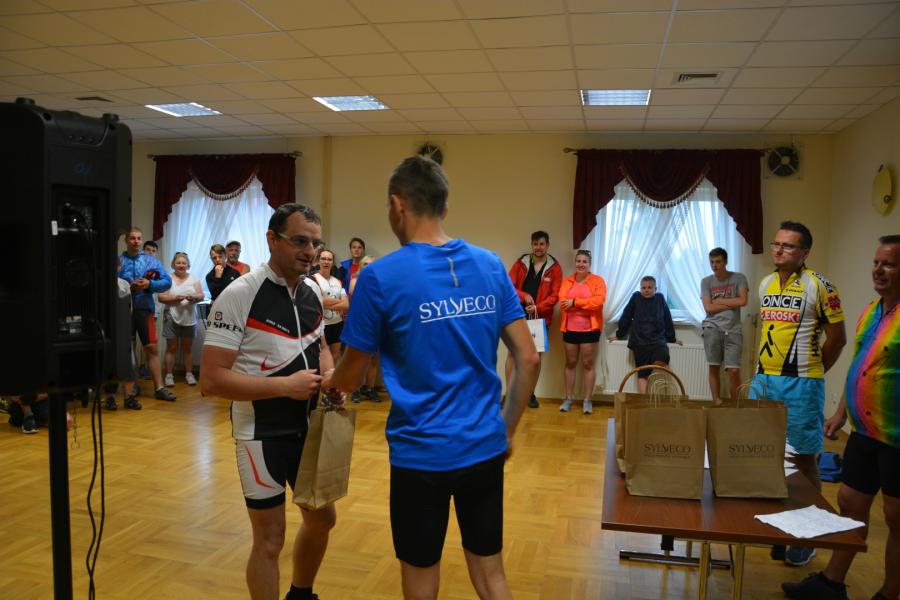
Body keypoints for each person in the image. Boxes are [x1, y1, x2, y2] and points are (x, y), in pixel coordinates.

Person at [331, 155, 539, 600]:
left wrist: (325, 384)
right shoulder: (490, 264)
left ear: (396, 205)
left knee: (422, 577)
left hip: (420, 455)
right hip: (484, 446)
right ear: (444, 207)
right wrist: (505, 431)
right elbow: (529, 358)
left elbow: (349, 375)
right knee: (491, 574)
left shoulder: (378, 277)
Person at [200, 204, 337, 600]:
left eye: (315, 243)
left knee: (323, 520)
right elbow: (211, 380)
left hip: (310, 429)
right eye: (300, 241)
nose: (310, 251)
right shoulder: (240, 294)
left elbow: (321, 347)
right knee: (270, 539)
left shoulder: (312, 291)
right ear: (272, 239)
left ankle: (301, 593)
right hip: (261, 435)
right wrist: (284, 386)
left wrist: (330, 376)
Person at [782, 235, 900, 600]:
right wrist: (840, 412)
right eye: (876, 262)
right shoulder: (872, 310)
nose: (878, 270)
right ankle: (832, 583)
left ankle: (889, 593)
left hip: (896, 435)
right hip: (864, 431)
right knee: (849, 503)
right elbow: (860, 365)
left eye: (889, 264)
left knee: (896, 517)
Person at [752, 220, 846, 567]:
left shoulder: (820, 286)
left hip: (802, 384)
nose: (779, 250)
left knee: (804, 459)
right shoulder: (765, 283)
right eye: (776, 244)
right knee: (765, 453)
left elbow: (837, 339)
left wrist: (813, 372)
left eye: (788, 245)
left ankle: (807, 535)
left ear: (805, 252)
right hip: (764, 380)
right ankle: (780, 523)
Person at [118, 227, 176, 402]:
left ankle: (159, 387)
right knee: (128, 349)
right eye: (132, 238)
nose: (136, 241)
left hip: (145, 310)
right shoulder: (119, 261)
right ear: (126, 241)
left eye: (139, 238)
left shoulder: (152, 261)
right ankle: (132, 386)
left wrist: (149, 284)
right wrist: (129, 287)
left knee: (151, 347)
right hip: (123, 311)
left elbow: (167, 282)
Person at [506, 230, 562, 408]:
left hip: (540, 318)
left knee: (535, 357)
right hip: (517, 314)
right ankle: (510, 393)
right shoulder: (521, 262)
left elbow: (555, 295)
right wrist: (524, 296)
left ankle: (529, 393)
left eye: (542, 244)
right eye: (535, 244)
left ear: (547, 245)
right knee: (512, 354)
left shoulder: (555, 267)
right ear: (532, 245)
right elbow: (509, 285)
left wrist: (538, 307)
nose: (538, 247)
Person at [608, 276, 680, 394]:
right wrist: (619, 335)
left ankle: (658, 393)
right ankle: (644, 398)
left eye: (649, 288)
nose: (646, 290)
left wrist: (671, 338)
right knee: (642, 373)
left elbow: (667, 319)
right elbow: (626, 316)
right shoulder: (636, 297)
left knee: (663, 358)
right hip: (640, 342)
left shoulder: (660, 298)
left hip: (657, 341)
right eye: (643, 288)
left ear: (655, 289)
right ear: (640, 288)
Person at [559, 250, 606, 415]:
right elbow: (562, 302)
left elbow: (598, 302)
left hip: (590, 330)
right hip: (570, 329)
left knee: (588, 364)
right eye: (578, 261)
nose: (581, 264)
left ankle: (587, 400)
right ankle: (568, 399)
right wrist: (585, 304)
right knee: (570, 363)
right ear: (575, 262)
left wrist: (575, 302)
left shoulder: (597, 281)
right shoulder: (567, 281)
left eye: (584, 261)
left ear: (589, 264)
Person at [700, 247, 749, 404]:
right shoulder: (706, 281)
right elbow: (708, 308)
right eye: (712, 262)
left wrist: (720, 301)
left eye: (718, 261)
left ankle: (736, 405)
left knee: (733, 370)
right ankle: (716, 401)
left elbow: (743, 301)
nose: (715, 265)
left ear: (725, 262)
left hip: (733, 330)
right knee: (714, 367)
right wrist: (732, 302)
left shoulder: (739, 278)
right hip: (712, 328)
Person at [158, 252, 203, 387]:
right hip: (171, 316)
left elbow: (201, 296)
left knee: (187, 348)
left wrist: (194, 298)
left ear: (188, 265)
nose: (181, 265)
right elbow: (161, 297)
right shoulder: (167, 279)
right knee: (171, 348)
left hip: (190, 318)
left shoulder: (194, 279)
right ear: (173, 264)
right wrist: (175, 298)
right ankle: (169, 375)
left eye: (184, 263)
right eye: (178, 263)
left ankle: (189, 374)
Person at [348, 256, 380, 403]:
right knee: (358, 359)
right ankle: (355, 389)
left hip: (375, 323)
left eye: (371, 264)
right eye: (365, 264)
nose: (368, 266)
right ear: (361, 266)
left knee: (373, 360)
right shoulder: (355, 280)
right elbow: (358, 298)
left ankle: (370, 389)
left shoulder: (379, 280)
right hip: (359, 323)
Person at [310, 249, 348, 363]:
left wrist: (325, 303)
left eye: (329, 259)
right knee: (323, 357)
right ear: (319, 261)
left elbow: (346, 305)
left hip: (337, 324)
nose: (326, 262)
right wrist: (337, 302)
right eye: (323, 259)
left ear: (333, 262)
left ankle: (333, 376)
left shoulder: (338, 281)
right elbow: (316, 302)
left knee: (336, 355)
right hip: (321, 325)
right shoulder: (311, 280)